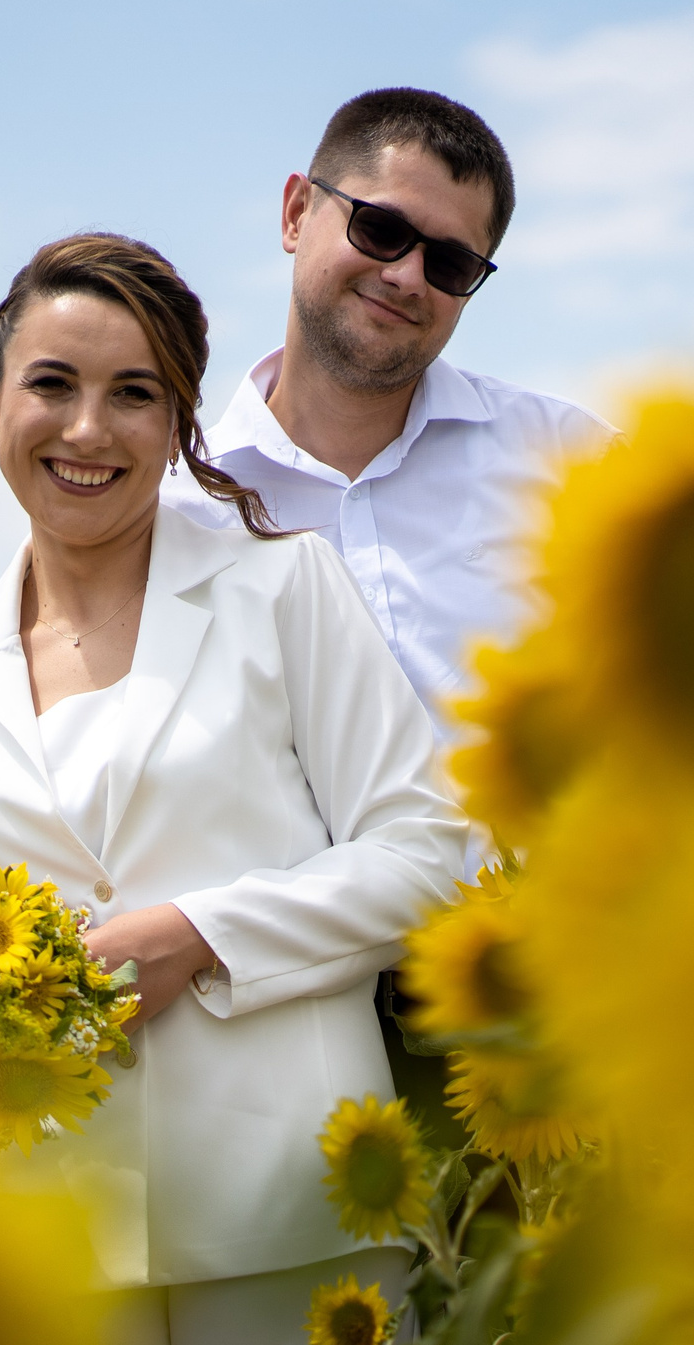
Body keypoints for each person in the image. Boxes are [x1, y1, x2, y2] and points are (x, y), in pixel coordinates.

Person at [0, 232, 469, 1345]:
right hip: (47, 1243)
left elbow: (429, 846)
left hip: (285, 1215)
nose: (89, 428)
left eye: (137, 392)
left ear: (180, 418)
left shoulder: (282, 589)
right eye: (52, 383)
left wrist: (196, 933)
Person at [163, 86, 612, 1129]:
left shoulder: (567, 465)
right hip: (276, 1033)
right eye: (380, 228)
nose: (407, 275)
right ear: (293, 212)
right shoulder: (174, 511)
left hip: (541, 1026)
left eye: (450, 264)